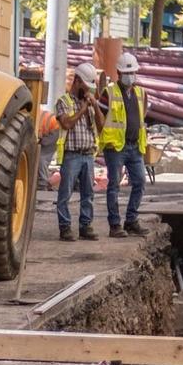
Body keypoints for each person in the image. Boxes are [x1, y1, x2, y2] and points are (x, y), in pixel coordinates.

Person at [100, 53, 150, 236]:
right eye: (127, 72)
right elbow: (100, 119)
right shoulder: (109, 92)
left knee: (140, 182)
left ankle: (131, 220)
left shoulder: (140, 93)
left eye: (133, 72)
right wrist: (106, 141)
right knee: (114, 185)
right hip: (115, 147)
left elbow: (142, 116)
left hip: (135, 146)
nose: (130, 76)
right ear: (119, 73)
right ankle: (114, 225)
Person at [53, 62, 103, 241]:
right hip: (71, 155)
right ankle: (65, 227)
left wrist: (95, 106)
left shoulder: (89, 103)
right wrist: (82, 109)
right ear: (77, 81)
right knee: (65, 193)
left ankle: (85, 226)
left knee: (88, 194)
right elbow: (66, 123)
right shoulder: (63, 102)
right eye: (86, 86)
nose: (88, 91)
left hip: (88, 154)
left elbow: (101, 125)